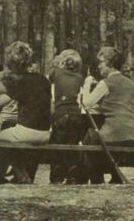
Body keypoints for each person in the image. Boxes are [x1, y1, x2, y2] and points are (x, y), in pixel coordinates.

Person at [0, 41, 51, 184]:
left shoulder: (20, 82)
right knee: (15, 137)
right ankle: (23, 174)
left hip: (27, 131)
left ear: (12, 62)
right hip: (45, 133)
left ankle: (18, 173)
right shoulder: (43, 80)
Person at [81, 46, 134, 184]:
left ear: (109, 63)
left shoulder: (106, 83)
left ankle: (96, 178)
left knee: (90, 136)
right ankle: (114, 176)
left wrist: (87, 83)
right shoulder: (131, 84)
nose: (99, 66)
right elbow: (121, 103)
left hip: (117, 131)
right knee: (98, 139)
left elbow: (86, 103)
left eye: (101, 62)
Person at [48, 49, 85, 184]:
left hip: (60, 112)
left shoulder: (56, 73)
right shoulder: (79, 77)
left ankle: (57, 174)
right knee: (72, 143)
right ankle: (73, 173)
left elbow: (49, 83)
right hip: (75, 113)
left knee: (57, 143)